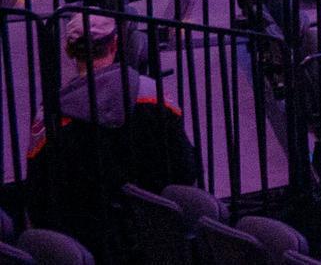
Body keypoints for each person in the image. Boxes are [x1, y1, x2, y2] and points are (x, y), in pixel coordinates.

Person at [25, 14, 202, 253]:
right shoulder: (153, 95)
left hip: (87, 244)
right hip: (158, 235)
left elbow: (38, 196)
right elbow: (186, 168)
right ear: (115, 44)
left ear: (68, 50)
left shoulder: (50, 118)